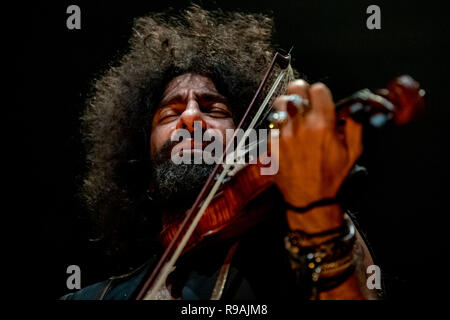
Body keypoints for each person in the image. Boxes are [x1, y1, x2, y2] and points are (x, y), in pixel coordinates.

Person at [61, 5, 381, 300]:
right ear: (143, 168)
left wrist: (321, 212)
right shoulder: (89, 298)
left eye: (212, 108)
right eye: (170, 113)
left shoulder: (294, 261)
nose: (190, 117)